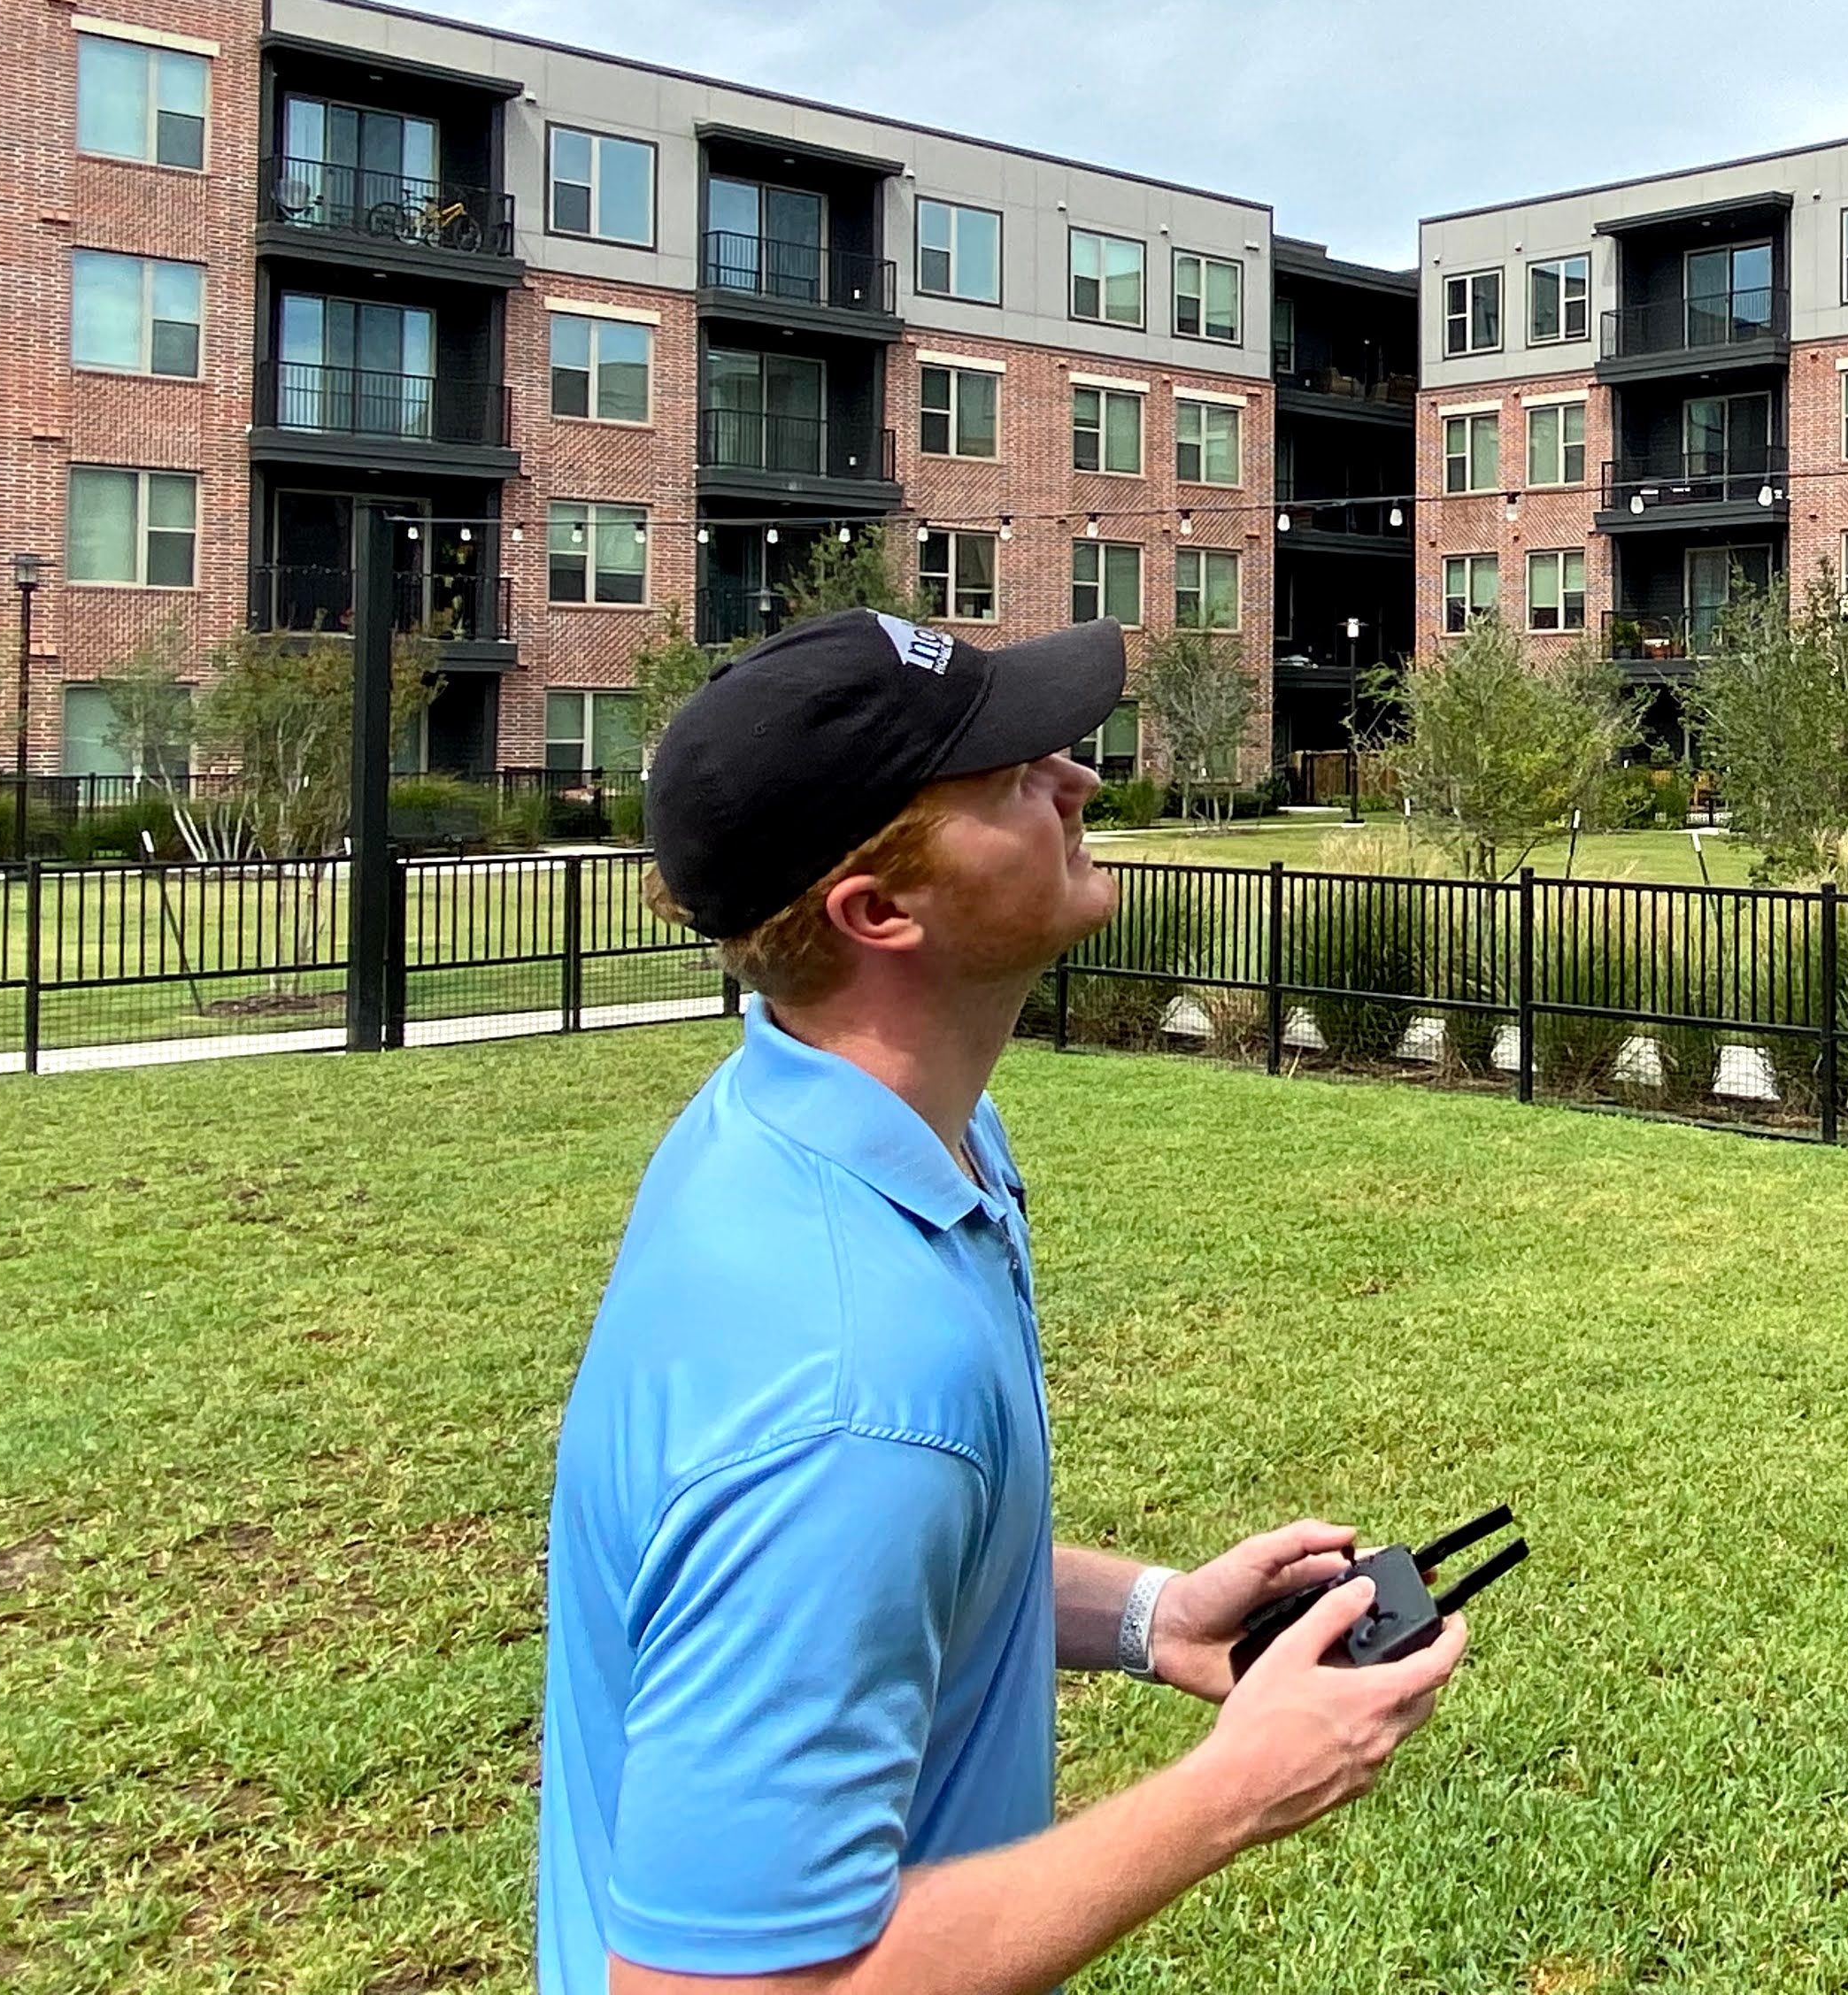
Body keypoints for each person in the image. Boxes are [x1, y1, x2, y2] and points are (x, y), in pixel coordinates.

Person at [538, 608, 1463, 1994]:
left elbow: (908, 1582)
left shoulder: (836, 1130)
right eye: (1012, 776)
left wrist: (1156, 1615)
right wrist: (1233, 1793)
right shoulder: (849, 1394)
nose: (1079, 780)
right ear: (880, 911)